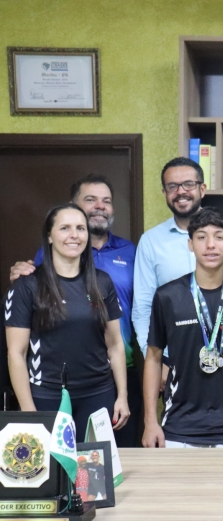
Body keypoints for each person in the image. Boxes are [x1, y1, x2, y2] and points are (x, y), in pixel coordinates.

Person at [9, 173, 142, 446]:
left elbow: (115, 345)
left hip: (99, 393)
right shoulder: (28, 285)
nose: (74, 235)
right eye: (65, 228)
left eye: (80, 228)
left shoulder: (102, 282)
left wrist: (122, 397)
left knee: (95, 480)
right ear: (49, 235)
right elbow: (16, 353)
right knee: (51, 477)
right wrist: (28, 413)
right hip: (46, 394)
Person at [142, 208, 223, 449]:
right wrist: (150, 421)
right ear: (190, 245)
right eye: (201, 237)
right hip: (178, 427)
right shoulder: (168, 296)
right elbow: (153, 358)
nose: (210, 245)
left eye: (219, 237)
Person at [133, 157, 223, 359]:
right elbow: (143, 308)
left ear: (202, 189)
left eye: (188, 184)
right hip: (175, 358)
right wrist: (156, 358)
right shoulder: (150, 241)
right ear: (164, 193)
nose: (181, 191)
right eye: (172, 186)